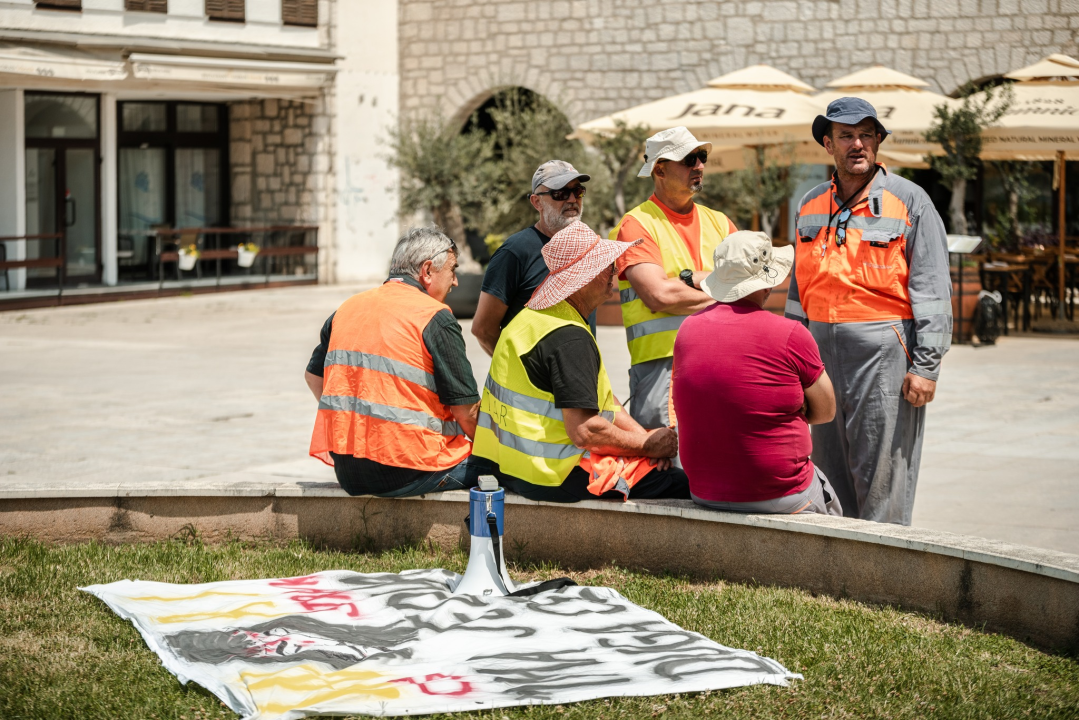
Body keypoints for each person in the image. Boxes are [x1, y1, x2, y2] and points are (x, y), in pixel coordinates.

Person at [785, 97, 952, 525]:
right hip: (819, 351)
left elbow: (932, 289)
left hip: (884, 351)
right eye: (846, 135)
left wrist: (927, 367)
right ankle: (842, 564)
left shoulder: (910, 201)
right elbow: (797, 288)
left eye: (866, 134)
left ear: (878, 141)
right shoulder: (809, 203)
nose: (857, 143)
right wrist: (791, 359)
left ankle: (885, 569)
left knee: (883, 472)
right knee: (827, 464)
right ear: (828, 144)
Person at [473, 220, 689, 503]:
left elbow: (601, 402)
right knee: (678, 483)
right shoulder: (569, 337)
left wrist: (647, 443)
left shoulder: (529, 318)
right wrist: (647, 445)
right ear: (589, 276)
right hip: (552, 475)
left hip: (510, 468)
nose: (615, 276)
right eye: (611, 267)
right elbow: (585, 431)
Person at [305, 227, 488, 497]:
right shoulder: (434, 316)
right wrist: (494, 452)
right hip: (411, 468)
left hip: (349, 471)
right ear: (427, 271)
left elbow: (314, 378)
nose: (456, 282)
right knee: (505, 468)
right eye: (452, 270)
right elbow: (466, 412)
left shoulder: (347, 308)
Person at [673, 231, 842, 516]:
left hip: (703, 491)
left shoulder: (687, 330)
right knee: (830, 501)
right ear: (767, 285)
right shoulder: (791, 334)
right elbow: (826, 411)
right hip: (782, 493)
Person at [611, 126, 737, 436]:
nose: (699, 165)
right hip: (662, 369)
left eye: (701, 156)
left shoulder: (719, 221)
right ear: (660, 170)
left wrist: (693, 282)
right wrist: (725, 289)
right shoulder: (636, 224)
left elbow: (755, 284)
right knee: (667, 472)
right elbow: (659, 296)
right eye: (689, 158)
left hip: (721, 361)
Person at [472, 160, 596, 356]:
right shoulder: (515, 251)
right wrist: (522, 369)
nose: (572, 199)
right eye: (560, 193)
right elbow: (483, 329)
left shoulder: (588, 246)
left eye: (578, 191)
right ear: (536, 202)